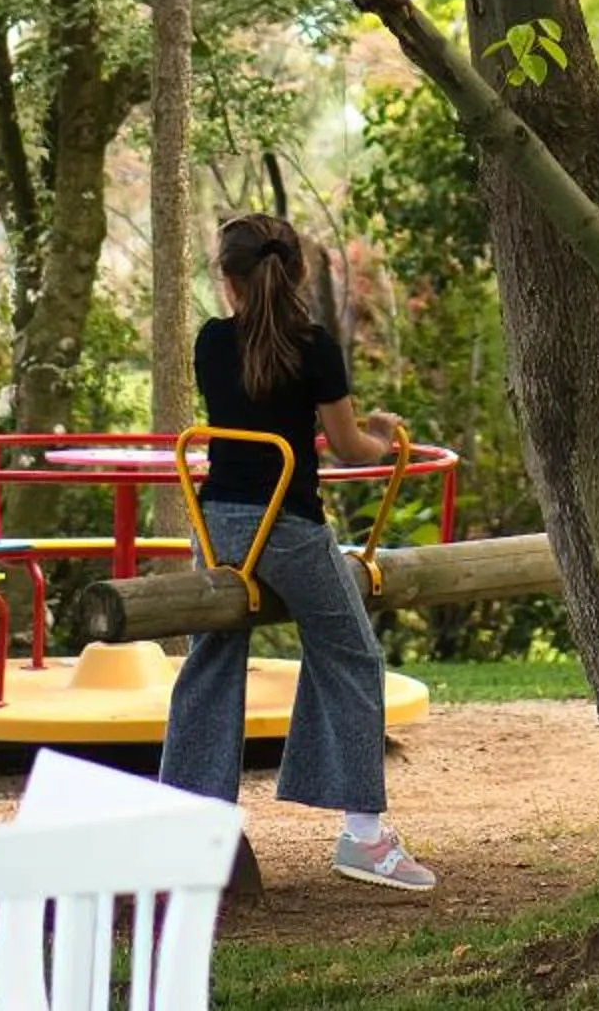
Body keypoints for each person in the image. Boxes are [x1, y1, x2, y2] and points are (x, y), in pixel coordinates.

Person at [160, 211, 435, 891]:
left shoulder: (211, 342)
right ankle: (363, 837)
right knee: (350, 654)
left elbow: (248, 409)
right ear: (297, 274)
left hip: (218, 525)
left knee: (212, 660)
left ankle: (189, 823)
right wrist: (384, 435)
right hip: (285, 527)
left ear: (228, 280)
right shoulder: (313, 346)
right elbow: (348, 447)